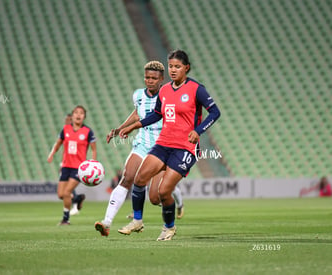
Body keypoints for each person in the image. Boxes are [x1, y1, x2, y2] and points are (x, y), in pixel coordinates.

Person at [119, 50, 221, 241]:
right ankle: (137, 221)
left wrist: (198, 131)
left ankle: (169, 228)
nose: (173, 70)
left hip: (185, 148)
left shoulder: (196, 89)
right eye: (171, 66)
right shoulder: (165, 90)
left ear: (186, 68)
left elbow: (215, 112)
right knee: (140, 179)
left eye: (177, 67)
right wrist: (133, 126)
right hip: (163, 143)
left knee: (164, 191)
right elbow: (157, 114)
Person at [94, 61, 184, 237]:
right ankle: (107, 222)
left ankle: (174, 210)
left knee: (156, 197)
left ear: (161, 79)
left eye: (154, 78)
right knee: (127, 178)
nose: (150, 81)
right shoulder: (138, 95)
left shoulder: (168, 94)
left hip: (163, 146)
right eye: (147, 77)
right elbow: (137, 113)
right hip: (143, 142)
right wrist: (119, 129)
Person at [47, 106, 97, 225]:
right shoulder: (65, 129)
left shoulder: (88, 131)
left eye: (81, 113)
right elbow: (58, 143)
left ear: (84, 116)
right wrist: (52, 154)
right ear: (72, 115)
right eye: (76, 113)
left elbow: (94, 149)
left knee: (66, 192)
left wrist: (93, 163)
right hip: (66, 166)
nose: (78, 115)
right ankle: (77, 199)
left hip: (79, 168)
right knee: (61, 195)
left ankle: (66, 219)